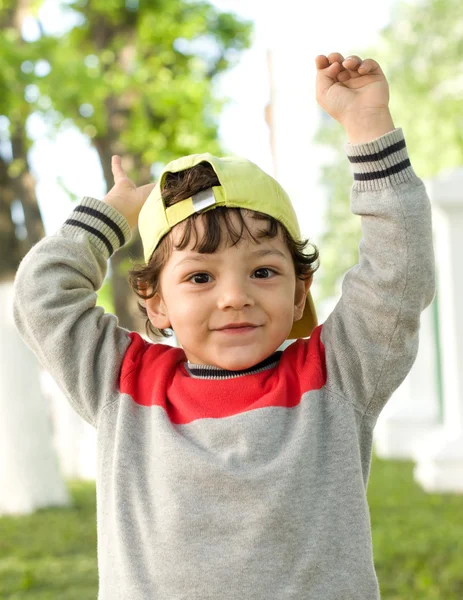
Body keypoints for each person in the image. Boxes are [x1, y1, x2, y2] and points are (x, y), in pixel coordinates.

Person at [13, 53, 435, 599]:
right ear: (154, 302)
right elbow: (41, 295)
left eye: (263, 271)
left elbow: (399, 273)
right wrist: (112, 215)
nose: (235, 297)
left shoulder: (337, 375)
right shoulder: (122, 382)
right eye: (199, 278)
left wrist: (367, 126)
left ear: (299, 289)